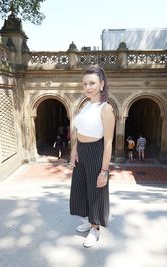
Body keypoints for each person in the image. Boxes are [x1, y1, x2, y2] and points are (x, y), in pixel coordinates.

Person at [69, 66, 115, 248]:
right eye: (85, 84)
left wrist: (104, 171)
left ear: (102, 84)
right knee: (81, 188)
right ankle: (88, 221)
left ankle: (95, 229)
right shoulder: (86, 104)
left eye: (92, 83)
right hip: (81, 151)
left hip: (96, 151)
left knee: (96, 190)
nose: (88, 87)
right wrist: (74, 150)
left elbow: (108, 142)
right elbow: (78, 130)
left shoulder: (106, 109)